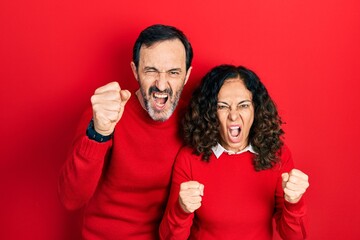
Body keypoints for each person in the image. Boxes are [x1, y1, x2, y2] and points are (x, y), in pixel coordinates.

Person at [58, 24, 193, 239]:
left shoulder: (194, 120)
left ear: (186, 76)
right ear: (135, 71)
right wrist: (100, 132)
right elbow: (71, 198)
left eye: (173, 72)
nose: (161, 84)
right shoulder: (106, 113)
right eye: (151, 71)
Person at [159, 65, 309, 239]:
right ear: (210, 112)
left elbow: (296, 237)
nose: (233, 115)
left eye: (243, 105)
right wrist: (182, 210)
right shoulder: (189, 158)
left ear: (256, 109)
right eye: (223, 106)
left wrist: (294, 203)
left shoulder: (277, 155)